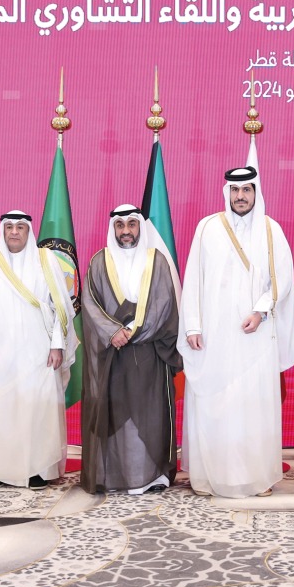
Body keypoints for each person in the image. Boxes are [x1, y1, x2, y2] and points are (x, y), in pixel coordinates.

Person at [177, 167, 294, 498]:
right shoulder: (207, 228)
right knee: (215, 402)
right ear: (226, 192)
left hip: (255, 336)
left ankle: (255, 478)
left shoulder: (270, 230)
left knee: (252, 405)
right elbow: (194, 279)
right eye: (235, 190)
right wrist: (192, 325)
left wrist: (260, 311)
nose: (241, 196)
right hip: (213, 337)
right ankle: (208, 476)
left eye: (247, 190)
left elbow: (283, 279)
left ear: (255, 193)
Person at [0, 211, 77, 489]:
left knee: (36, 409)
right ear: (3, 231)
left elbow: (60, 307)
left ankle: (37, 469)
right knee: (0, 409)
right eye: (9, 227)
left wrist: (57, 345)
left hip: (38, 352)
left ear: (29, 231)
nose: (14, 232)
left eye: (20, 227)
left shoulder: (46, 260)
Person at [80, 204, 183, 495]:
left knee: (150, 413)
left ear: (140, 227)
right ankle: (114, 476)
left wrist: (134, 332)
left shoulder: (157, 260)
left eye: (131, 225)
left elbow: (163, 305)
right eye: (120, 225)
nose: (126, 231)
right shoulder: (98, 262)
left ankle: (153, 476)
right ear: (113, 228)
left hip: (149, 352)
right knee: (115, 414)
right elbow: (89, 304)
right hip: (112, 353)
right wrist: (113, 332)